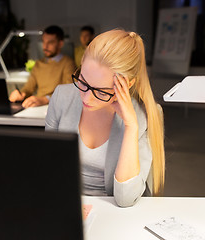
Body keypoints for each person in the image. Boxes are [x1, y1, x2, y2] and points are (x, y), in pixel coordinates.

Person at [45, 29, 165, 207]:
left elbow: (126, 199)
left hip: (112, 210)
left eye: (100, 91)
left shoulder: (142, 115)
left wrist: (131, 126)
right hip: (63, 203)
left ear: (127, 83)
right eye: (83, 82)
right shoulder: (62, 97)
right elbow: (48, 168)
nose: (86, 98)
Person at [9, 25, 75, 108]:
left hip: (57, 107)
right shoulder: (38, 64)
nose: (45, 46)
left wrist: (46, 99)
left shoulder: (68, 63)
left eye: (50, 42)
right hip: (38, 106)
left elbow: (70, 91)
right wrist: (21, 94)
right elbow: (29, 88)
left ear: (60, 44)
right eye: (44, 42)